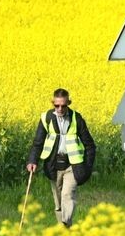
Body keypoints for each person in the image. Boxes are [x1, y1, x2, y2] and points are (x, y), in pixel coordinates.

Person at [26, 88, 96, 228]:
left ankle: (65, 224)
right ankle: (64, 230)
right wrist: (32, 160)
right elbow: (38, 142)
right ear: (53, 103)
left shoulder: (77, 118)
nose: (60, 108)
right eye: (57, 105)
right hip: (53, 164)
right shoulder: (46, 118)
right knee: (58, 202)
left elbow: (90, 145)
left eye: (63, 105)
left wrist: (87, 167)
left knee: (67, 195)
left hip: (73, 165)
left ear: (68, 103)